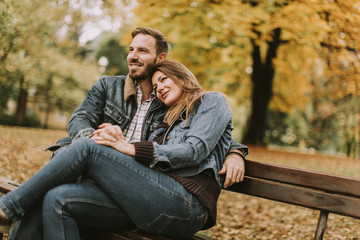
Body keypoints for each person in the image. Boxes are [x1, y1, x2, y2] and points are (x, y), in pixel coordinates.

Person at [1, 27, 248, 239]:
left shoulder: (199, 103)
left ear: (171, 68)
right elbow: (80, 119)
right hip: (129, 187)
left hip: (177, 199)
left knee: (88, 149)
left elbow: (199, 144)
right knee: (56, 197)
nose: (133, 55)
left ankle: (7, 208)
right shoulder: (116, 89)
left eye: (142, 51)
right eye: (131, 49)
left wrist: (235, 152)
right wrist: (102, 141)